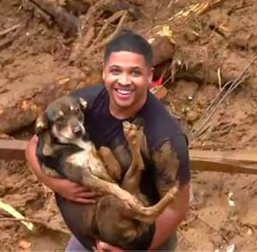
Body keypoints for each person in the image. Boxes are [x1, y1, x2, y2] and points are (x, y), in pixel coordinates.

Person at [25, 30, 191, 251]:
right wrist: (58, 185)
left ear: (150, 76)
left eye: (134, 73)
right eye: (116, 71)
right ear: (104, 72)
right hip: (88, 240)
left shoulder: (165, 139)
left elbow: (175, 209)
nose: (124, 81)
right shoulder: (82, 106)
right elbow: (34, 145)